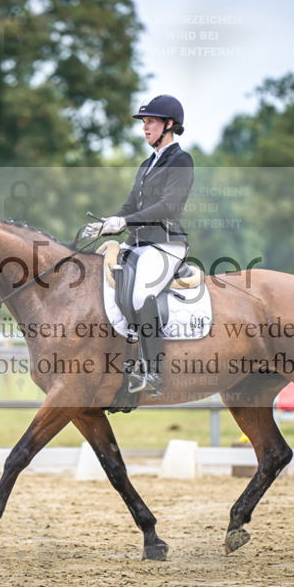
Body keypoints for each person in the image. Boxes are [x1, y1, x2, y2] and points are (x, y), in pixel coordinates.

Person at [83, 94, 194, 394]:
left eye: (151, 122)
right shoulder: (147, 163)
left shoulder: (181, 160)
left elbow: (168, 206)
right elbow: (131, 204)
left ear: (169, 125)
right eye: (144, 123)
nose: (145, 128)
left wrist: (126, 223)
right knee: (106, 285)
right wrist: (109, 223)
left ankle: (154, 372)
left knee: (140, 296)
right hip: (139, 244)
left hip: (166, 245)